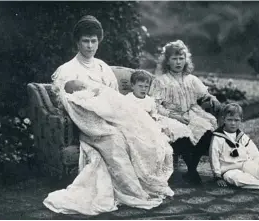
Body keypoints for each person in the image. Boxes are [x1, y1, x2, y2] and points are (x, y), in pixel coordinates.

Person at [43, 15, 174, 216]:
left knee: (139, 135)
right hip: (92, 126)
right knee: (116, 140)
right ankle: (133, 192)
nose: (89, 46)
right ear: (77, 42)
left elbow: (115, 98)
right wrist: (98, 114)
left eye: (93, 41)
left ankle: (147, 184)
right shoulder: (67, 70)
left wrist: (114, 115)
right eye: (85, 41)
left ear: (99, 42)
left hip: (112, 118)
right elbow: (73, 106)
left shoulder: (103, 67)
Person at [149, 40, 221, 185]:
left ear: (186, 60)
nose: (178, 62)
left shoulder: (191, 79)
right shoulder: (161, 81)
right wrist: (174, 116)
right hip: (168, 114)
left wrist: (211, 98)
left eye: (181, 58)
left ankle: (191, 169)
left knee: (207, 130)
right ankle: (192, 172)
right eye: (174, 59)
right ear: (167, 61)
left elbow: (203, 94)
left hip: (190, 112)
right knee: (182, 133)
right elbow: (155, 105)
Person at [125, 70, 194, 142]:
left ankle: (181, 145)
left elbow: (154, 112)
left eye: (146, 86)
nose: (143, 89)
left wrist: (154, 118)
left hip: (153, 121)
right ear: (132, 86)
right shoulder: (128, 99)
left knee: (179, 128)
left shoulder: (149, 100)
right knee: (158, 135)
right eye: (140, 86)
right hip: (138, 123)